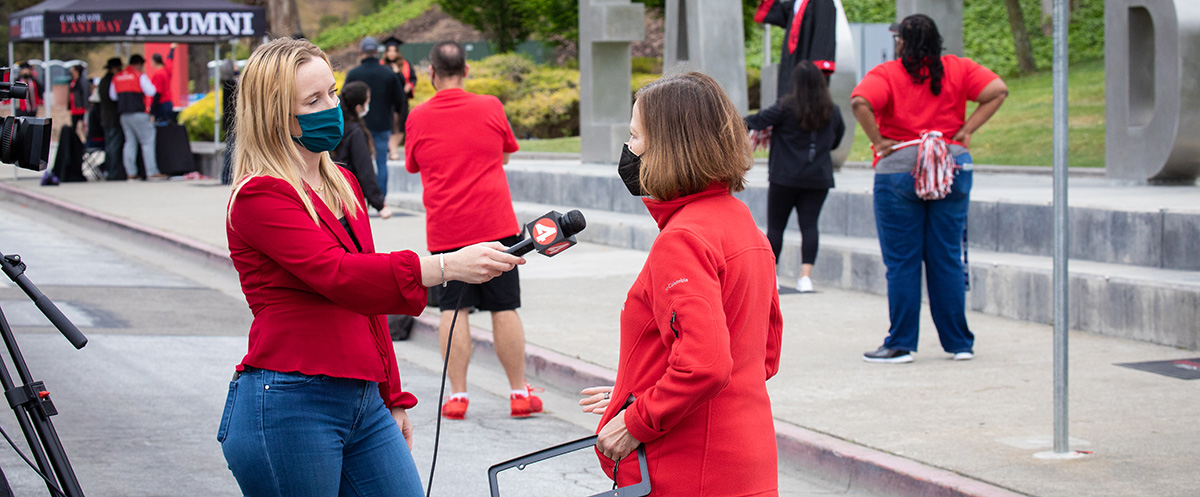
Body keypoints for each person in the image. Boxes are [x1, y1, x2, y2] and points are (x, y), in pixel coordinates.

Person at [220, 38, 525, 496]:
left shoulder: (340, 181)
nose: (331, 107)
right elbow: (338, 274)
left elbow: (369, 301)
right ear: (274, 115)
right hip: (289, 401)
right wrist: (443, 266)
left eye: (332, 93)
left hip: (362, 398)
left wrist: (391, 397)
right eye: (313, 100)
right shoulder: (259, 194)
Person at [578, 72, 783, 495]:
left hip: (691, 467)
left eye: (635, 136)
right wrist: (635, 388)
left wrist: (636, 420)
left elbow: (704, 363)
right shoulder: (741, 223)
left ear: (667, 147)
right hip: (746, 456)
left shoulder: (683, 238)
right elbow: (762, 354)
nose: (629, 150)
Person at [851, 14, 1007, 363]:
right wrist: (966, 132)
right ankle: (959, 344)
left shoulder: (887, 74)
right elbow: (998, 90)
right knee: (947, 257)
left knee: (903, 262)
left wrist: (878, 141)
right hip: (952, 163)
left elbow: (860, 102)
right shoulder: (960, 69)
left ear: (902, 42)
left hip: (900, 169)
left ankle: (901, 344)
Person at [405, 41, 542, 420]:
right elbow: (507, 153)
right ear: (466, 70)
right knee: (505, 305)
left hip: (447, 229)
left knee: (454, 308)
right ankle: (518, 392)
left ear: (430, 73)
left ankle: (458, 397)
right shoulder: (491, 106)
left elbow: (413, 165)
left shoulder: (418, 116)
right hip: (496, 222)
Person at [745, 60, 844, 292]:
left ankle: (773, 276)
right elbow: (836, 140)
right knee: (810, 226)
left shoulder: (785, 107)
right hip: (818, 177)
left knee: (776, 227)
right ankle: (806, 278)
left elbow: (754, 121)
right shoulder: (832, 110)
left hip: (784, 177)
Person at [345, 36, 407, 199]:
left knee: (359, 162)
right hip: (382, 124)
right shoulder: (387, 73)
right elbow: (399, 98)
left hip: (359, 125)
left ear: (361, 52)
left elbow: (344, 98)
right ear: (378, 52)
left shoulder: (354, 73)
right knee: (381, 162)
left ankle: (360, 198)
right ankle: (381, 199)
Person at [332, 81, 393, 219]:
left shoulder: (336, 127)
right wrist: (379, 204)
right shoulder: (355, 132)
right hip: (349, 197)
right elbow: (364, 169)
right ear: (359, 107)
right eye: (368, 101)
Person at [754, 0, 837, 96]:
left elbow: (823, 36)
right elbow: (778, 13)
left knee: (803, 100)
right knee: (787, 98)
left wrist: (814, 71)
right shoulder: (798, 2)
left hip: (807, 71)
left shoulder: (823, 3)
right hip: (792, 65)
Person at [110, 54, 163, 180]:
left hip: (124, 114)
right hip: (138, 112)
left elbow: (112, 96)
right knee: (147, 141)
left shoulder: (117, 77)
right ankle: (152, 172)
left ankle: (131, 173)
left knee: (130, 143)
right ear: (138, 64)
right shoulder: (139, 75)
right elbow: (152, 91)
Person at [380, 36, 416, 161]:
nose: (391, 53)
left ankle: (393, 147)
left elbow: (413, 78)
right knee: (391, 123)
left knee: (401, 124)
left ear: (397, 52)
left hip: (401, 100)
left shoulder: (405, 65)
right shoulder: (381, 65)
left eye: (394, 50)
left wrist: (409, 86)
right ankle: (393, 150)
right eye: (389, 50)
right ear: (385, 52)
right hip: (387, 100)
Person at [97, 57, 125, 180]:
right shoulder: (112, 81)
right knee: (114, 147)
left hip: (105, 118)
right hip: (113, 118)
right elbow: (114, 99)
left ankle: (108, 170)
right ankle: (113, 173)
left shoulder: (103, 81)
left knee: (109, 146)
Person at [149, 44, 177, 125]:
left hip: (161, 104)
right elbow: (170, 59)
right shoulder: (167, 70)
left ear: (154, 61)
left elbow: (157, 92)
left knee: (162, 127)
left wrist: (152, 111)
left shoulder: (158, 74)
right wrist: (172, 49)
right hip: (168, 103)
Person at [67, 64, 90, 136]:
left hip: (81, 107)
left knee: (84, 125)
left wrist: (86, 106)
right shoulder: (72, 81)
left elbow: (86, 93)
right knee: (74, 126)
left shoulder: (82, 81)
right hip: (74, 106)